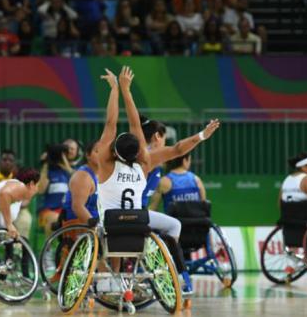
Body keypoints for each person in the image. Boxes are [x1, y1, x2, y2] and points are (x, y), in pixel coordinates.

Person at [93, 66, 220, 293]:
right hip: (138, 220)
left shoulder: (105, 163)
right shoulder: (145, 163)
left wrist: (115, 89)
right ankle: (167, 268)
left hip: (110, 223)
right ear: (137, 150)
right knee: (174, 225)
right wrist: (202, 135)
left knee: (106, 229)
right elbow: (179, 147)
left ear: (114, 150)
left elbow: (111, 124)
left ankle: (117, 279)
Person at [37, 143, 73, 235]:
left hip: (66, 209)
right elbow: (41, 190)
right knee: (55, 219)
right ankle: (49, 248)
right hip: (49, 210)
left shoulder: (69, 173)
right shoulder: (47, 172)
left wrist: (66, 166)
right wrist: (45, 164)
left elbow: (79, 180)